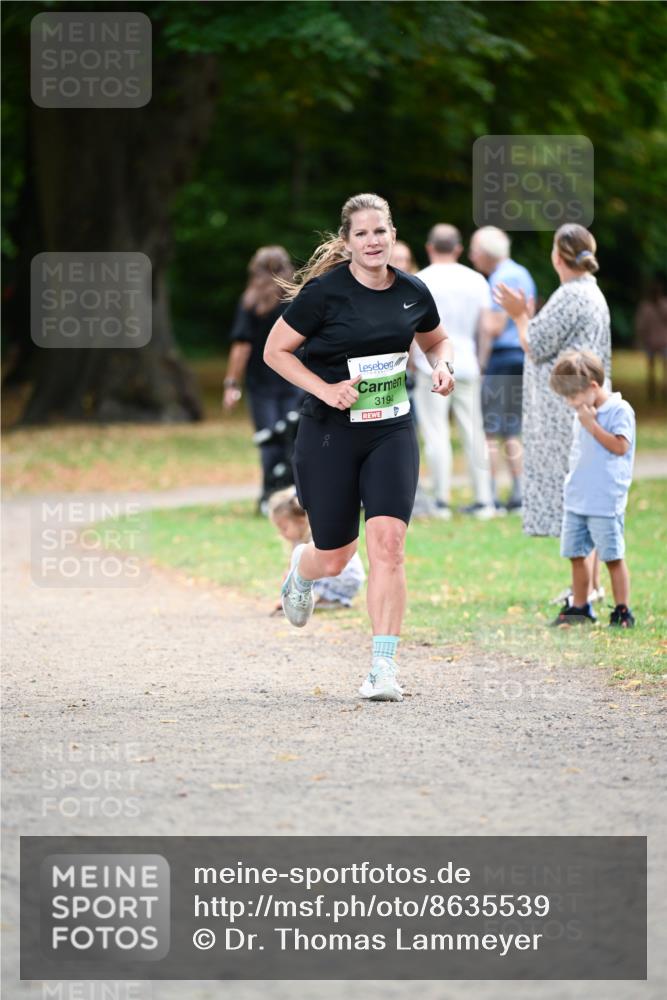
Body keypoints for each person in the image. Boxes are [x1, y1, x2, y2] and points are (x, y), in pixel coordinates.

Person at [263, 192, 454, 703]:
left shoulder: (414, 291)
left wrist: (442, 366)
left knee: (389, 547)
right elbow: (274, 351)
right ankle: (302, 566)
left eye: (381, 231)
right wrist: (324, 389)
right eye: (362, 233)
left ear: (393, 235)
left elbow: (435, 340)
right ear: (347, 242)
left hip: (391, 429)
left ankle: (383, 668)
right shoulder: (324, 294)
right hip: (329, 432)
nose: (373, 241)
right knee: (335, 556)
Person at [494, 224, 612, 605]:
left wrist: (517, 315)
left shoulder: (570, 295)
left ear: (557, 257)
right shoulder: (592, 293)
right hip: (580, 403)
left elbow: (535, 344)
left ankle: (586, 589)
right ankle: (589, 585)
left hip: (565, 411)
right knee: (582, 495)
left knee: (576, 499)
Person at [412, 224, 495, 520]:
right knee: (474, 431)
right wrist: (481, 360)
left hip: (429, 364)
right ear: (459, 249)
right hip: (468, 362)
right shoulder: (476, 280)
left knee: (436, 433)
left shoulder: (421, 280)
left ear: (430, 248)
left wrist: (412, 361)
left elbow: (414, 330)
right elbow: (485, 328)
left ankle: (441, 500)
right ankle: (485, 500)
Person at [548, 350, 636, 628]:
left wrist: (592, 425)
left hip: (605, 500)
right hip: (577, 497)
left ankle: (622, 611)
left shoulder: (619, 410)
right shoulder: (582, 412)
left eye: (572, 397)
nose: (569, 403)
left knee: (612, 556)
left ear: (593, 387)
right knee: (575, 554)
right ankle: (580, 607)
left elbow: (621, 447)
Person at [223, 246, 304, 512]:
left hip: (262, 383)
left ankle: (269, 494)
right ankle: (294, 493)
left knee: (268, 438)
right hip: (294, 379)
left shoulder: (250, 302)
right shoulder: (297, 299)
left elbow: (242, 346)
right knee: (294, 437)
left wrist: (232, 383)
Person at [469, 226, 536, 513]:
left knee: (490, 428)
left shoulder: (499, 278)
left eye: (474, 251)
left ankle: (492, 492)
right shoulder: (522, 272)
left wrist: (479, 336)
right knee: (511, 427)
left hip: (501, 359)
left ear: (485, 252)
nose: (472, 258)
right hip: (521, 357)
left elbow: (494, 326)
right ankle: (519, 493)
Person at [268, 487, 365, 610]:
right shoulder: (299, 540)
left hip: (346, 578)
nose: (282, 533)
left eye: (284, 528)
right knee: (296, 574)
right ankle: (323, 599)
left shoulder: (315, 537)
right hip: (344, 578)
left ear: (301, 520)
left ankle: (308, 600)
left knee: (301, 575)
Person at [635, 278, 667, 402]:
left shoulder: (662, 305)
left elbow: (640, 326)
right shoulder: (646, 307)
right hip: (654, 342)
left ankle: (660, 389)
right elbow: (641, 326)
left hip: (659, 342)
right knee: (653, 368)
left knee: (660, 368)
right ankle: (653, 389)